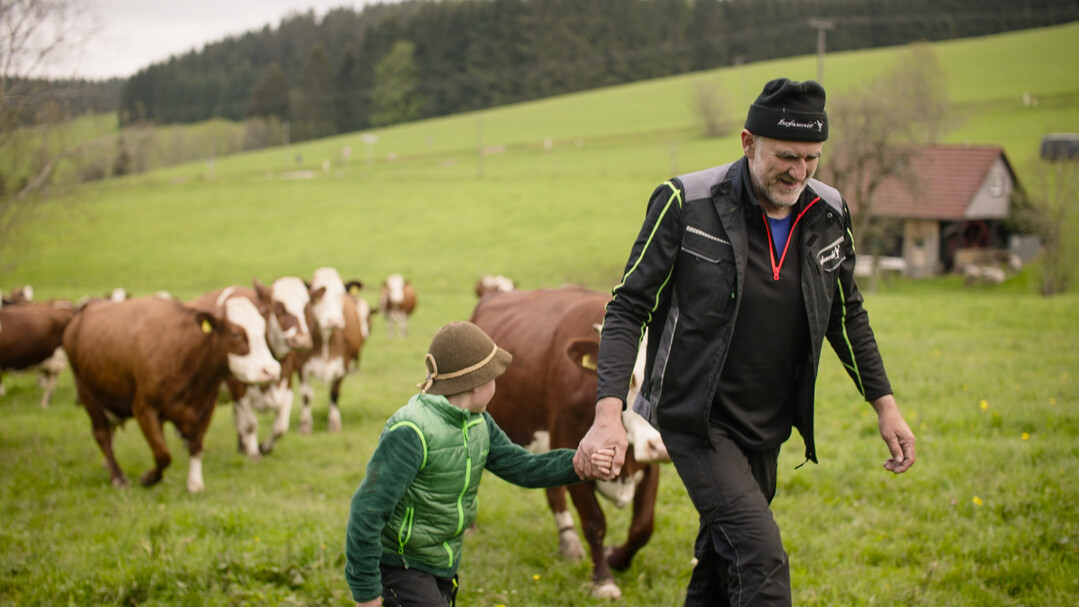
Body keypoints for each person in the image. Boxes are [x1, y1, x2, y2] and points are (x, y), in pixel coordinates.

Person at [573, 77, 917, 606]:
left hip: (768, 422)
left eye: (812, 158)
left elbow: (846, 314)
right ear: (748, 142)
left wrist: (885, 407)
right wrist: (607, 416)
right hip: (695, 417)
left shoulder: (828, 214)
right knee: (760, 558)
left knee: (721, 563)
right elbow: (627, 308)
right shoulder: (686, 203)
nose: (799, 172)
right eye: (786, 156)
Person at [345, 320, 611, 607]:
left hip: (440, 561)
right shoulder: (411, 432)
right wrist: (367, 594)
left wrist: (579, 463)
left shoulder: (478, 422)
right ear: (475, 383)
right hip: (401, 564)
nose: (498, 382)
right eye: (494, 376)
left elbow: (523, 467)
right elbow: (367, 511)